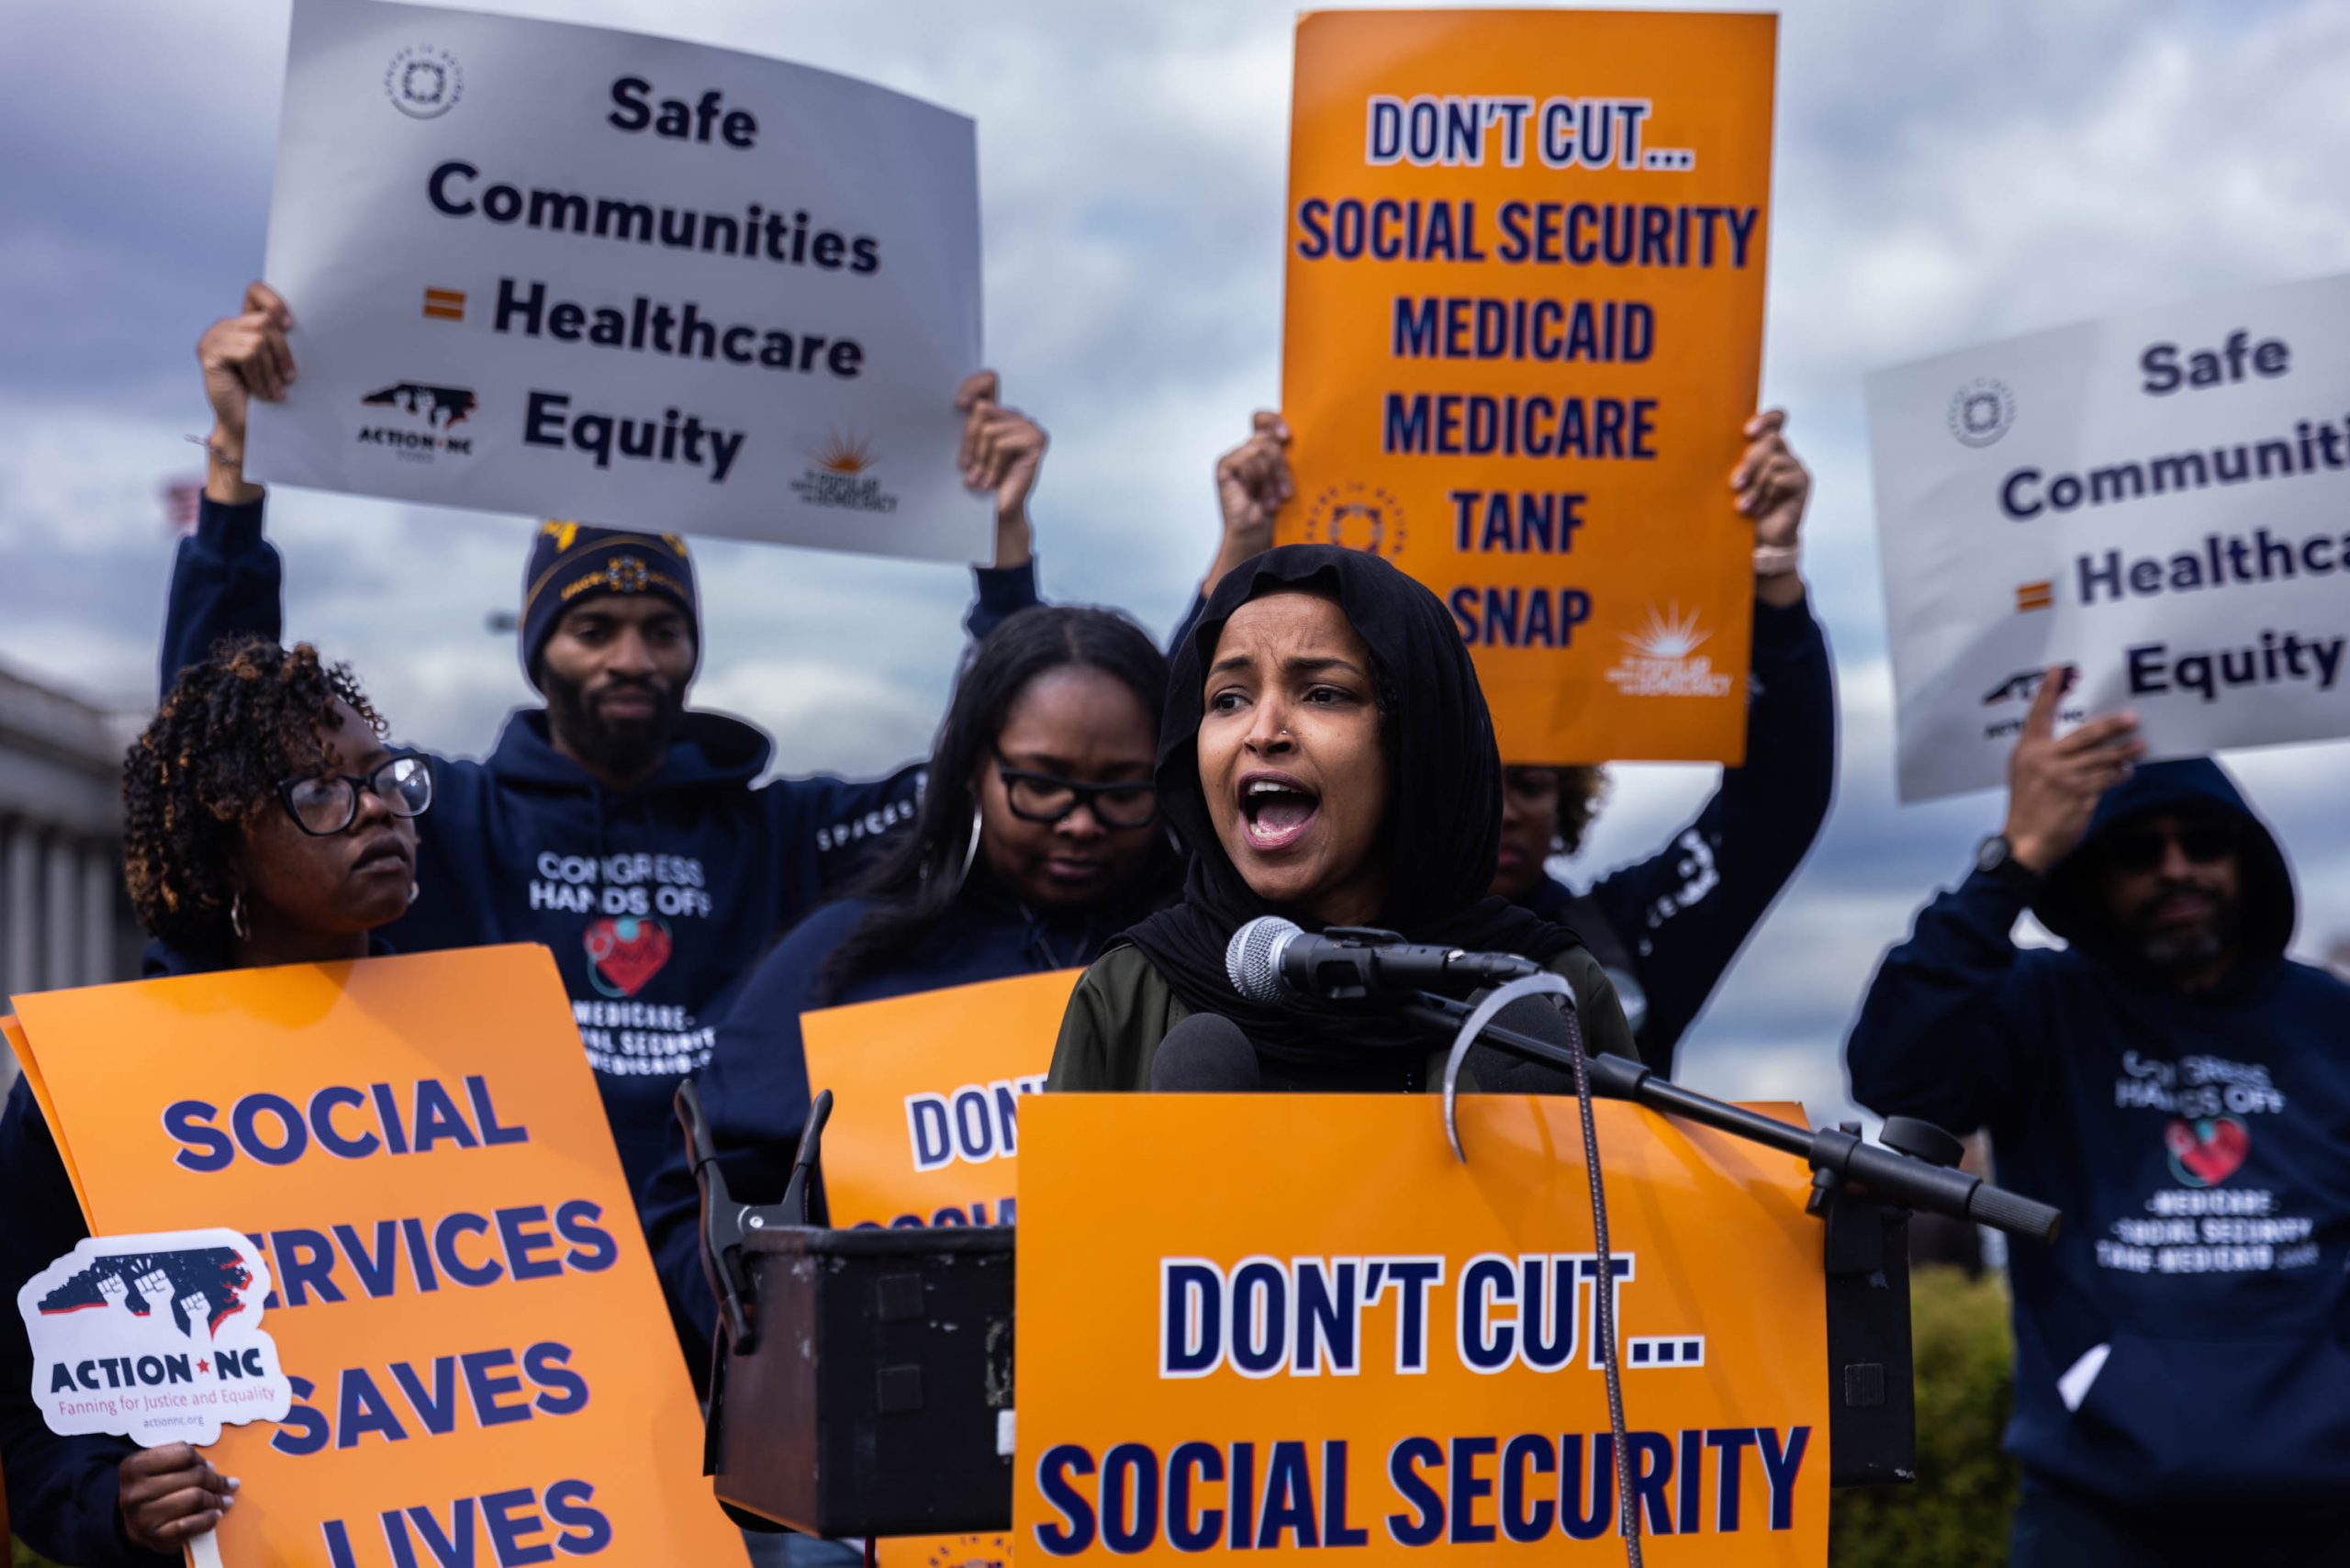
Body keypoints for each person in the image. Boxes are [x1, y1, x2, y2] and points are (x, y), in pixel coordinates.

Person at [168, 282, 1053, 1208]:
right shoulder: (444, 819)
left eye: (660, 630)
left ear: (693, 651)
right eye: (592, 628)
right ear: (537, 647)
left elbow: (1003, 792)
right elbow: (219, 756)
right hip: (507, 1261)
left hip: (723, 1276)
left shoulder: (783, 834)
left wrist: (1002, 556)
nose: (630, 659)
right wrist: (234, 466)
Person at [1846, 675, 2350, 1564]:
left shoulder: (2327, 1019)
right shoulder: (2041, 1009)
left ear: (2244, 856)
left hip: (2323, 1509)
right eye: (2136, 848)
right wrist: (2015, 855)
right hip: (2095, 1514)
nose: (2175, 866)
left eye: (2202, 840)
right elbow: (1896, 1069)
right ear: (2091, 868)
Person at [1199, 410, 1832, 1073]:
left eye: (1530, 784)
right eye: (1471, 775)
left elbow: (1776, 810)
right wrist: (1242, 557)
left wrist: (1773, 583)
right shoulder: (1269, 945)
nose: (1496, 805)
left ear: (1568, 803)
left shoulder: (1609, 942)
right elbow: (1180, 768)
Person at [643, 605, 1181, 1382]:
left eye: (1122, 791)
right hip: (900, 1423)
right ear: (970, 769)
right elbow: (702, 1200)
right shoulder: (839, 962)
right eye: (1038, 785)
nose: (1080, 822)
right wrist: (784, 1352)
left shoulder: (1219, 963)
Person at [0, 637, 430, 1566]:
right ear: (224, 851)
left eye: (384, 776)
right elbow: (32, 1411)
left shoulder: (490, 1049)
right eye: (319, 793)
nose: (379, 812)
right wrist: (111, 1499)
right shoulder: (93, 1087)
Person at [1047, 544, 1634, 1091]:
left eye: (1323, 694)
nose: (1262, 732)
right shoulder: (1129, 993)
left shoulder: (1546, 993)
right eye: (1228, 699)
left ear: (1413, 740)